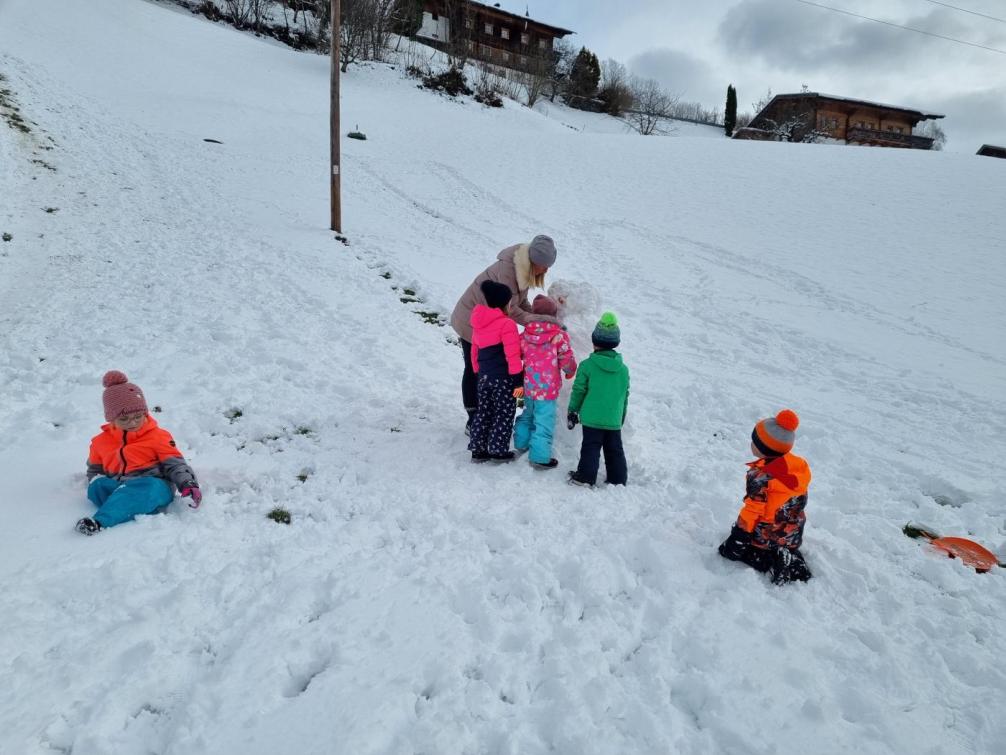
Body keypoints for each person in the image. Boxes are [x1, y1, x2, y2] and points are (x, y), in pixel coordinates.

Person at [451, 235, 559, 435]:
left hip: (489, 322)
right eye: (545, 265)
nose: (546, 270)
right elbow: (512, 309)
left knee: (487, 369)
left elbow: (520, 303)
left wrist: (541, 317)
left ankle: (486, 414)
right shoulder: (509, 271)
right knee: (475, 368)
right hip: (472, 320)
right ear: (535, 261)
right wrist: (539, 321)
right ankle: (473, 418)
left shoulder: (523, 267)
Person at [76, 371, 201, 535]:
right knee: (97, 486)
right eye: (124, 419)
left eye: (137, 416)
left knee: (148, 487)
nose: (133, 422)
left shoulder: (158, 437)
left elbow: (175, 464)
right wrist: (95, 481)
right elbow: (94, 471)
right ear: (111, 419)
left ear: (145, 413)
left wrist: (188, 484)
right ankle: (128, 503)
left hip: (153, 485)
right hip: (118, 485)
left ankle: (101, 521)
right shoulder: (100, 442)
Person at [717, 409, 813, 585]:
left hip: (768, 534)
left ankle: (772, 561)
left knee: (730, 552)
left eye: (754, 441)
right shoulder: (797, 467)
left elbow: (752, 511)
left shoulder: (761, 477)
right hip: (793, 533)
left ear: (763, 449)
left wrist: (737, 539)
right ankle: (789, 554)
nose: (751, 444)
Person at [513, 295, 577, 469]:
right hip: (547, 391)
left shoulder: (525, 333)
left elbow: (515, 353)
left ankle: (520, 443)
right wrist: (570, 371)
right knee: (543, 422)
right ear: (553, 315)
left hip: (526, 386)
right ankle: (540, 457)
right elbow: (566, 357)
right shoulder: (558, 335)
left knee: (525, 415)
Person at [567, 312, 629, 486]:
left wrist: (573, 410)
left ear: (594, 342)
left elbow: (579, 390)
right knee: (615, 450)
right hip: (613, 418)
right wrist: (621, 416)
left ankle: (585, 477)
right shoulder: (623, 370)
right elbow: (625, 395)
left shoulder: (587, 366)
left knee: (591, 448)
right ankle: (618, 479)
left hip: (592, 418)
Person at [468, 281, 524, 463]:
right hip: (503, 378)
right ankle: (498, 450)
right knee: (504, 412)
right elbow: (512, 354)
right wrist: (517, 378)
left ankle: (478, 448)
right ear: (505, 304)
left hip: (484, 378)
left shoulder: (478, 324)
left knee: (484, 411)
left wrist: (478, 372)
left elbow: (474, 351)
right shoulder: (506, 324)